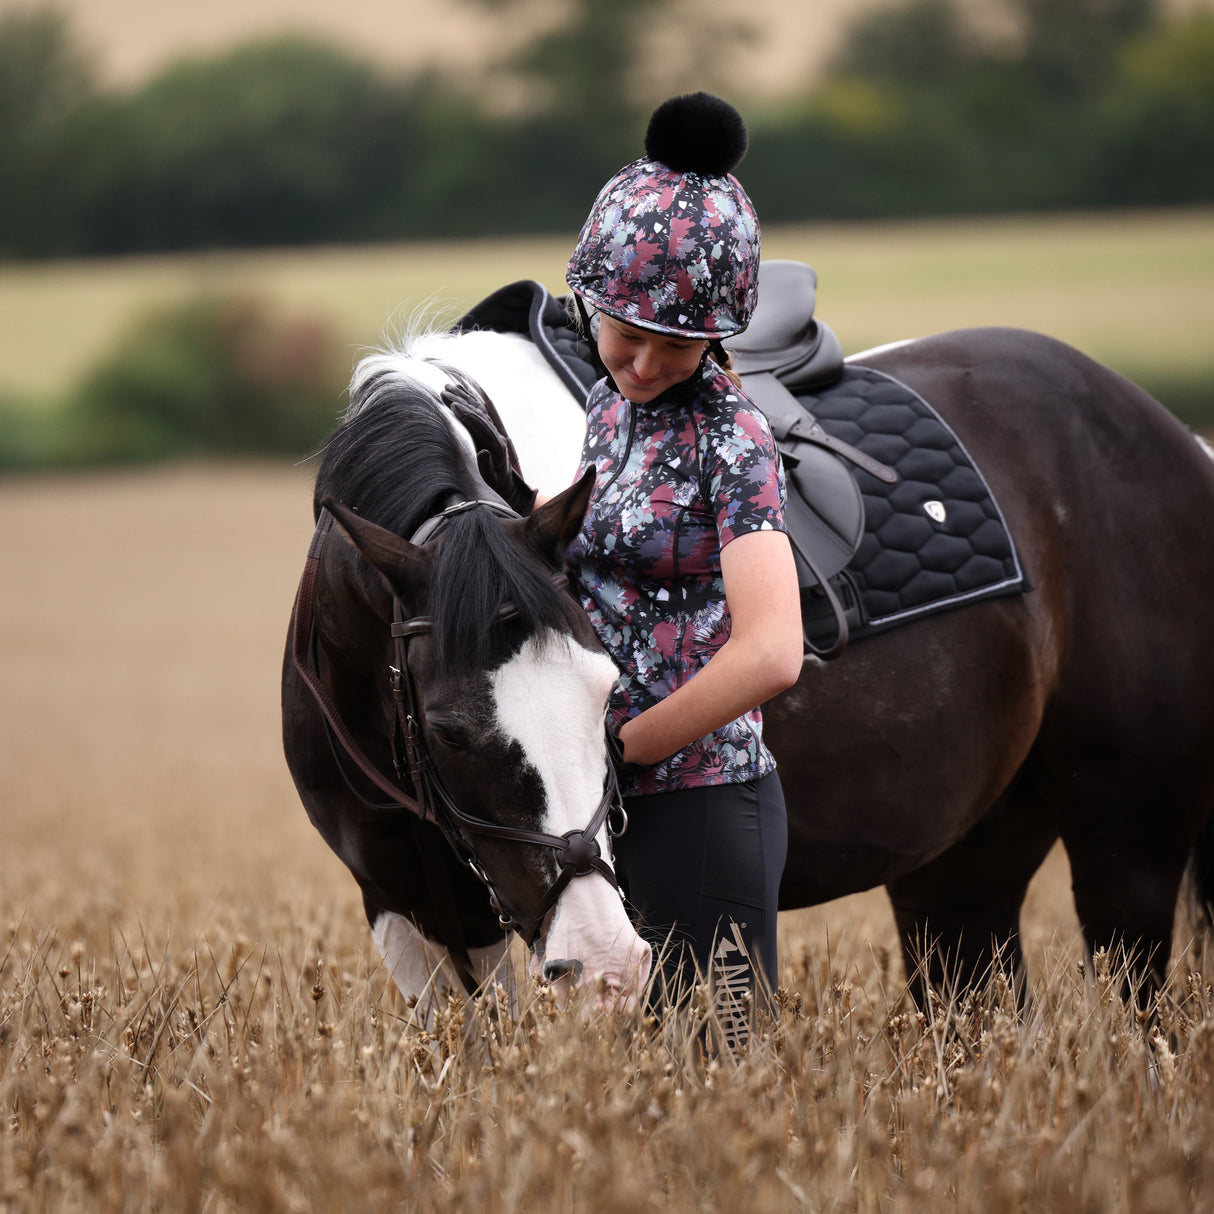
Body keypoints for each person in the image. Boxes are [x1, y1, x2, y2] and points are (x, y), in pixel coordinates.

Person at [562, 93, 803, 1041]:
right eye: (628, 332)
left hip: (703, 806)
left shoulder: (733, 438)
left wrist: (624, 749)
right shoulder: (604, 409)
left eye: (678, 343)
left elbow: (773, 652)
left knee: (715, 1090)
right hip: (605, 810)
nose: (646, 363)